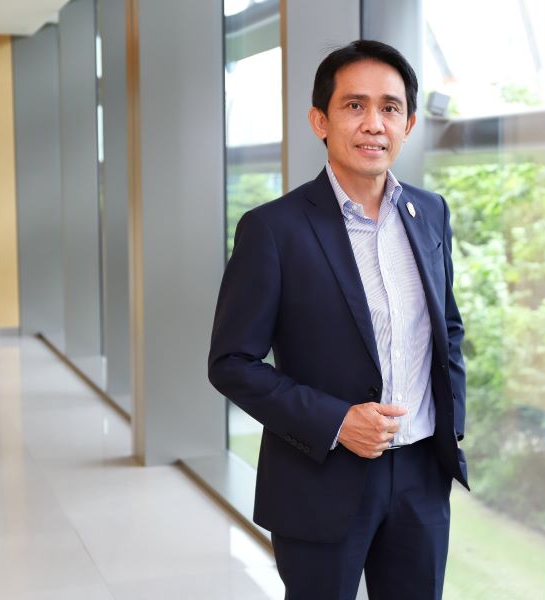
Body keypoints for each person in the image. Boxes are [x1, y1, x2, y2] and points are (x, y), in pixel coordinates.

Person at [208, 39, 467, 600]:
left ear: (408, 124)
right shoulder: (273, 229)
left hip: (422, 477)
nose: (374, 123)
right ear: (320, 121)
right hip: (320, 477)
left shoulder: (431, 213)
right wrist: (336, 421)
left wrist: (452, 426)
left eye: (390, 108)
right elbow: (231, 363)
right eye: (355, 105)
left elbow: (447, 329)